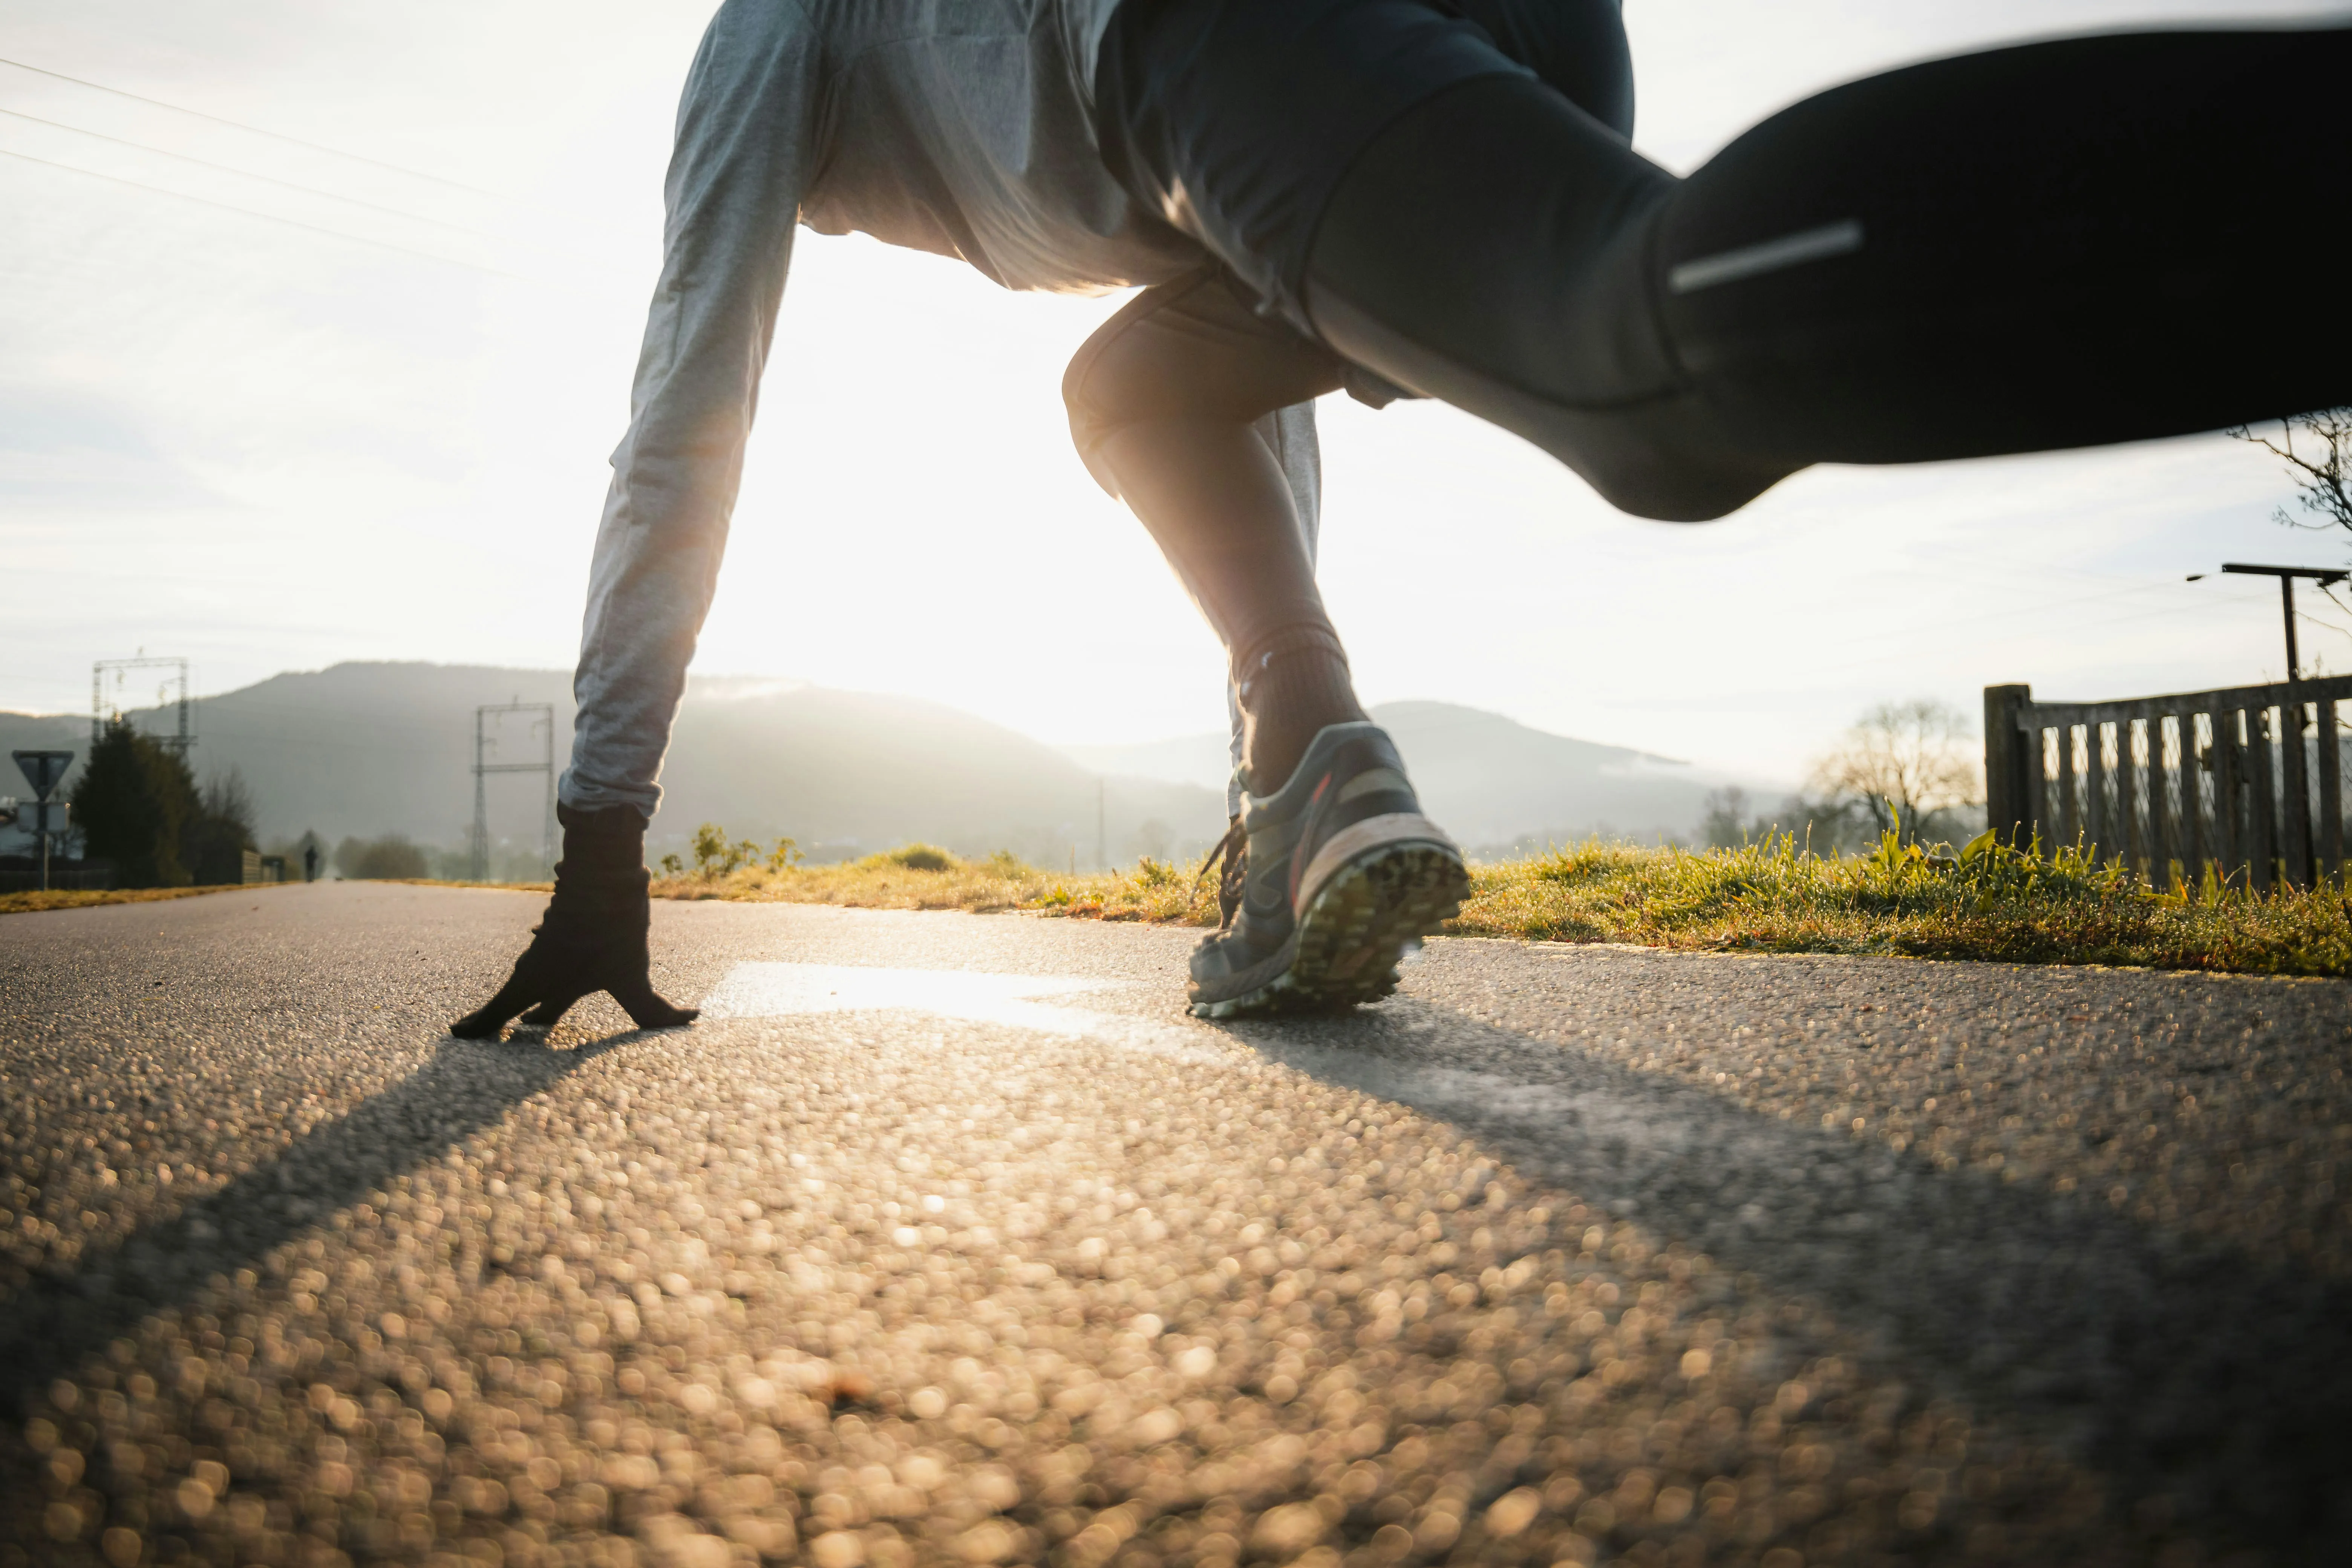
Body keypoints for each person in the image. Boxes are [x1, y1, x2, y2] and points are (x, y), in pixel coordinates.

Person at [453, 0, 2351, 1038]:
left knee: (1638, 353)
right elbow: (1247, 339)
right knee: (1131, 387)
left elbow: (685, 414)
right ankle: (1313, 771)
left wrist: (606, 815)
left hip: (1214, 42)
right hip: (1487, 29)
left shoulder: (760, 39)